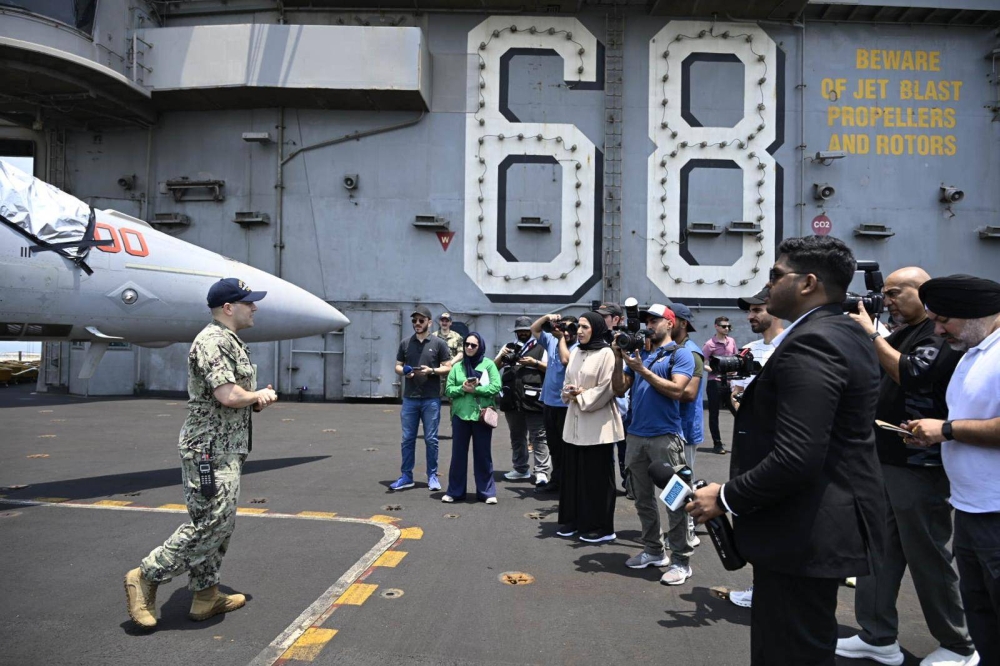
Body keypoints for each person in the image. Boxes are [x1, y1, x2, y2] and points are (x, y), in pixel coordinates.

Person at [685, 235, 885, 666]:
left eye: (776, 276)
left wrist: (723, 497)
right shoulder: (844, 332)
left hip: (803, 532)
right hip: (810, 528)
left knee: (788, 652)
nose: (769, 285)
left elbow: (798, 455)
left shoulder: (813, 342)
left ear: (809, 282)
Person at [837, 268, 976, 666]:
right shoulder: (896, 334)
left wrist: (871, 333)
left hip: (919, 466)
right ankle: (877, 635)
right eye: (886, 293)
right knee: (876, 551)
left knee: (928, 556)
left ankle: (958, 644)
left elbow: (912, 374)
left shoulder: (938, 334)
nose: (888, 300)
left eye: (896, 293)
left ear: (924, 293)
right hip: (884, 459)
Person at [124, 278, 279, 630]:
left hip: (227, 446)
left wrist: (255, 399)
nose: (254, 307)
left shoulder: (230, 342)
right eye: (248, 302)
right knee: (212, 522)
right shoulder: (212, 342)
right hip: (209, 451)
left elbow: (229, 398)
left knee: (218, 524)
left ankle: (206, 594)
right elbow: (228, 395)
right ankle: (146, 575)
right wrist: (255, 396)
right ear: (228, 308)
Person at [904, 275, 1000, 666]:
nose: (938, 330)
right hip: (970, 508)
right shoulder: (974, 352)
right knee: (981, 616)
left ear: (978, 314)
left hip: (995, 514)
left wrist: (945, 429)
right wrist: (936, 435)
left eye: (944, 320)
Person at [611, 304, 696, 585]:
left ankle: (682, 561)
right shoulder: (641, 354)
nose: (648, 324)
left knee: (675, 500)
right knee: (642, 498)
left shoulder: (680, 354)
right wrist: (617, 357)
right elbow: (619, 389)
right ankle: (653, 551)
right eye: (646, 320)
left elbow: (678, 390)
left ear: (670, 324)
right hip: (635, 436)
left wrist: (642, 371)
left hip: (665, 437)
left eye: (654, 320)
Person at [717, 288, 785, 610]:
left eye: (757, 309)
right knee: (755, 523)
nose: (751, 315)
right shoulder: (747, 351)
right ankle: (761, 587)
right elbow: (737, 402)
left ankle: (776, 591)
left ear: (776, 309)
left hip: (780, 449)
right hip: (749, 445)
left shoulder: (790, 348)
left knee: (780, 523)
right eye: (749, 310)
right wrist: (738, 400)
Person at [557, 312, 624, 542]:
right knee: (575, 476)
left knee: (596, 479)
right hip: (575, 422)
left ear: (595, 328)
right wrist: (569, 392)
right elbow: (567, 381)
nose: (579, 331)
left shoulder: (606, 353)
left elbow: (608, 388)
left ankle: (601, 527)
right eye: (579, 327)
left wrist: (581, 396)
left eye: (585, 327)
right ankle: (576, 521)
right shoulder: (576, 351)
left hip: (598, 426)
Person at [391, 306, 454, 492]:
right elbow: (397, 366)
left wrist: (431, 370)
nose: (416, 324)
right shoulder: (405, 343)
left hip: (431, 399)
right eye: (414, 321)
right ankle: (406, 476)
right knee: (407, 439)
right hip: (410, 398)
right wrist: (405, 372)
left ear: (429, 322)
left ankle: (432, 476)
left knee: (431, 439)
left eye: (420, 320)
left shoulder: (439, 343)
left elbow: (448, 367)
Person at [442, 332, 502, 504]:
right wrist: (462, 388)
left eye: (473, 345)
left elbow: (496, 387)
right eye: (467, 344)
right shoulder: (457, 367)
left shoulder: (489, 365)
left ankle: (487, 492)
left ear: (480, 346)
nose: (469, 347)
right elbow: (448, 390)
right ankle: (455, 491)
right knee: (458, 455)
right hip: (460, 415)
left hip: (481, 416)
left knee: (483, 455)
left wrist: (476, 390)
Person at [495, 316, 550, 484]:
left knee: (539, 437)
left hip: (534, 398)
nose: (523, 333)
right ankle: (520, 468)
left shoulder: (541, 346)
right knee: (516, 436)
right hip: (512, 398)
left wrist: (535, 363)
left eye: (526, 331)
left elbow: (551, 368)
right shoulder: (508, 347)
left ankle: (542, 472)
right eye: (520, 331)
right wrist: (502, 357)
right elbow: (493, 367)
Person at [669, 302, 705, 549]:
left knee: (681, 482)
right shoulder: (673, 349)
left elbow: (689, 394)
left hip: (685, 430)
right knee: (675, 483)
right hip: (674, 428)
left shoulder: (691, 353)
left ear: (682, 323)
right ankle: (681, 529)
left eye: (669, 320)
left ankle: (689, 531)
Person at [530, 313, 579, 493]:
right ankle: (556, 480)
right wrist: (547, 318)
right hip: (549, 401)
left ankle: (568, 484)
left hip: (566, 405)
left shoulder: (578, 347)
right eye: (564, 328)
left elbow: (566, 360)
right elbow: (534, 329)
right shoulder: (551, 339)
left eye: (572, 328)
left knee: (567, 447)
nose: (567, 332)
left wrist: (561, 339)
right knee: (554, 445)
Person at [595, 302, 630, 489]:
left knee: (627, 452)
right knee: (603, 453)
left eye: (604, 317)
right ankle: (604, 487)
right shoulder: (594, 340)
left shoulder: (627, 340)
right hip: (601, 405)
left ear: (616, 319)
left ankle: (629, 484)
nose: (599, 320)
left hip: (623, 406)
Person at [702, 316, 737, 454]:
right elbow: (703, 363)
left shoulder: (731, 341)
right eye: (724, 326)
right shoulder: (709, 344)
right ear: (716, 326)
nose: (727, 329)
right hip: (714, 383)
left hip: (729, 383)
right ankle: (717, 444)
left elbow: (735, 357)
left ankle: (742, 441)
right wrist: (714, 370)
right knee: (714, 414)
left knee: (738, 412)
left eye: (728, 326)